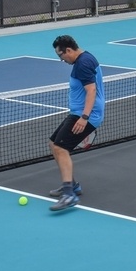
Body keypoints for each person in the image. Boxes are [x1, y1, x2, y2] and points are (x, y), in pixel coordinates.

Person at [48, 34, 104, 212]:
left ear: (69, 50)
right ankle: (72, 185)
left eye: (61, 55)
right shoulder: (85, 58)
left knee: (61, 148)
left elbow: (91, 90)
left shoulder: (82, 64)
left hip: (85, 114)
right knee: (53, 143)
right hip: (78, 112)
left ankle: (69, 195)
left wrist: (84, 117)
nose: (61, 59)